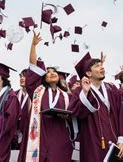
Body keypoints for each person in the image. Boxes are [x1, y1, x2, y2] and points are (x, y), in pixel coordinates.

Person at [69, 52, 123, 161]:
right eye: (97, 66)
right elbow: (76, 113)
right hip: (92, 143)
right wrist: (86, 93)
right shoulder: (80, 91)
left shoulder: (112, 90)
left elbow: (122, 115)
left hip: (115, 142)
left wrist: (122, 141)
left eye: (101, 65)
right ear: (88, 73)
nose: (102, 67)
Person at [23, 31, 74, 162]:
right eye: (48, 72)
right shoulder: (38, 91)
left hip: (60, 138)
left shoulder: (66, 96)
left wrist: (67, 116)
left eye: (54, 71)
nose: (52, 73)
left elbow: (75, 115)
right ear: (43, 78)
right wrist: (33, 46)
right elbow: (33, 67)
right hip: (41, 137)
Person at [12, 69, 30, 150]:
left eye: (25, 76)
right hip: (14, 130)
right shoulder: (14, 94)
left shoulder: (35, 96)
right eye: (20, 76)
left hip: (28, 131)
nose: (21, 78)